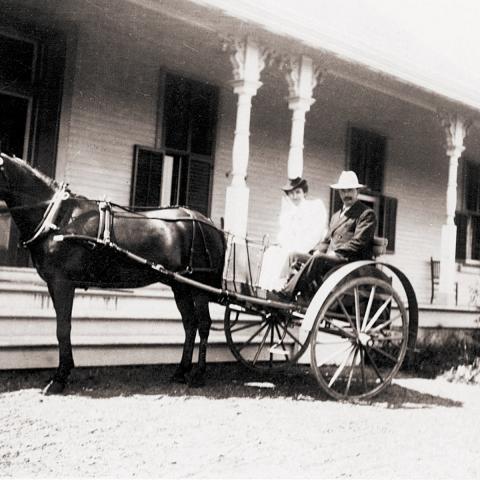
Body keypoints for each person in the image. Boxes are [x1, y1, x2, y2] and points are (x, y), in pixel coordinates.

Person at [274, 170, 377, 301]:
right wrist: (316, 251)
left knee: (318, 259)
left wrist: (335, 253)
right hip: (332, 260)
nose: (346, 194)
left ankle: (287, 294)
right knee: (294, 256)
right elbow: (327, 241)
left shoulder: (366, 214)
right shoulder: (336, 216)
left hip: (348, 262)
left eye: (350, 190)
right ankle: (288, 289)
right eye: (343, 191)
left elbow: (358, 242)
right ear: (339, 193)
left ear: (357, 191)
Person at [258, 177, 327, 291]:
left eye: (298, 192)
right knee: (270, 253)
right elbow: (284, 235)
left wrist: (295, 248)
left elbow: (315, 235)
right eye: (291, 194)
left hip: (308, 249)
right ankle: (264, 289)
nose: (295, 196)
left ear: (304, 193)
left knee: (286, 255)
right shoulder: (289, 214)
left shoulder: (314, 207)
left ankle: (279, 289)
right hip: (291, 248)